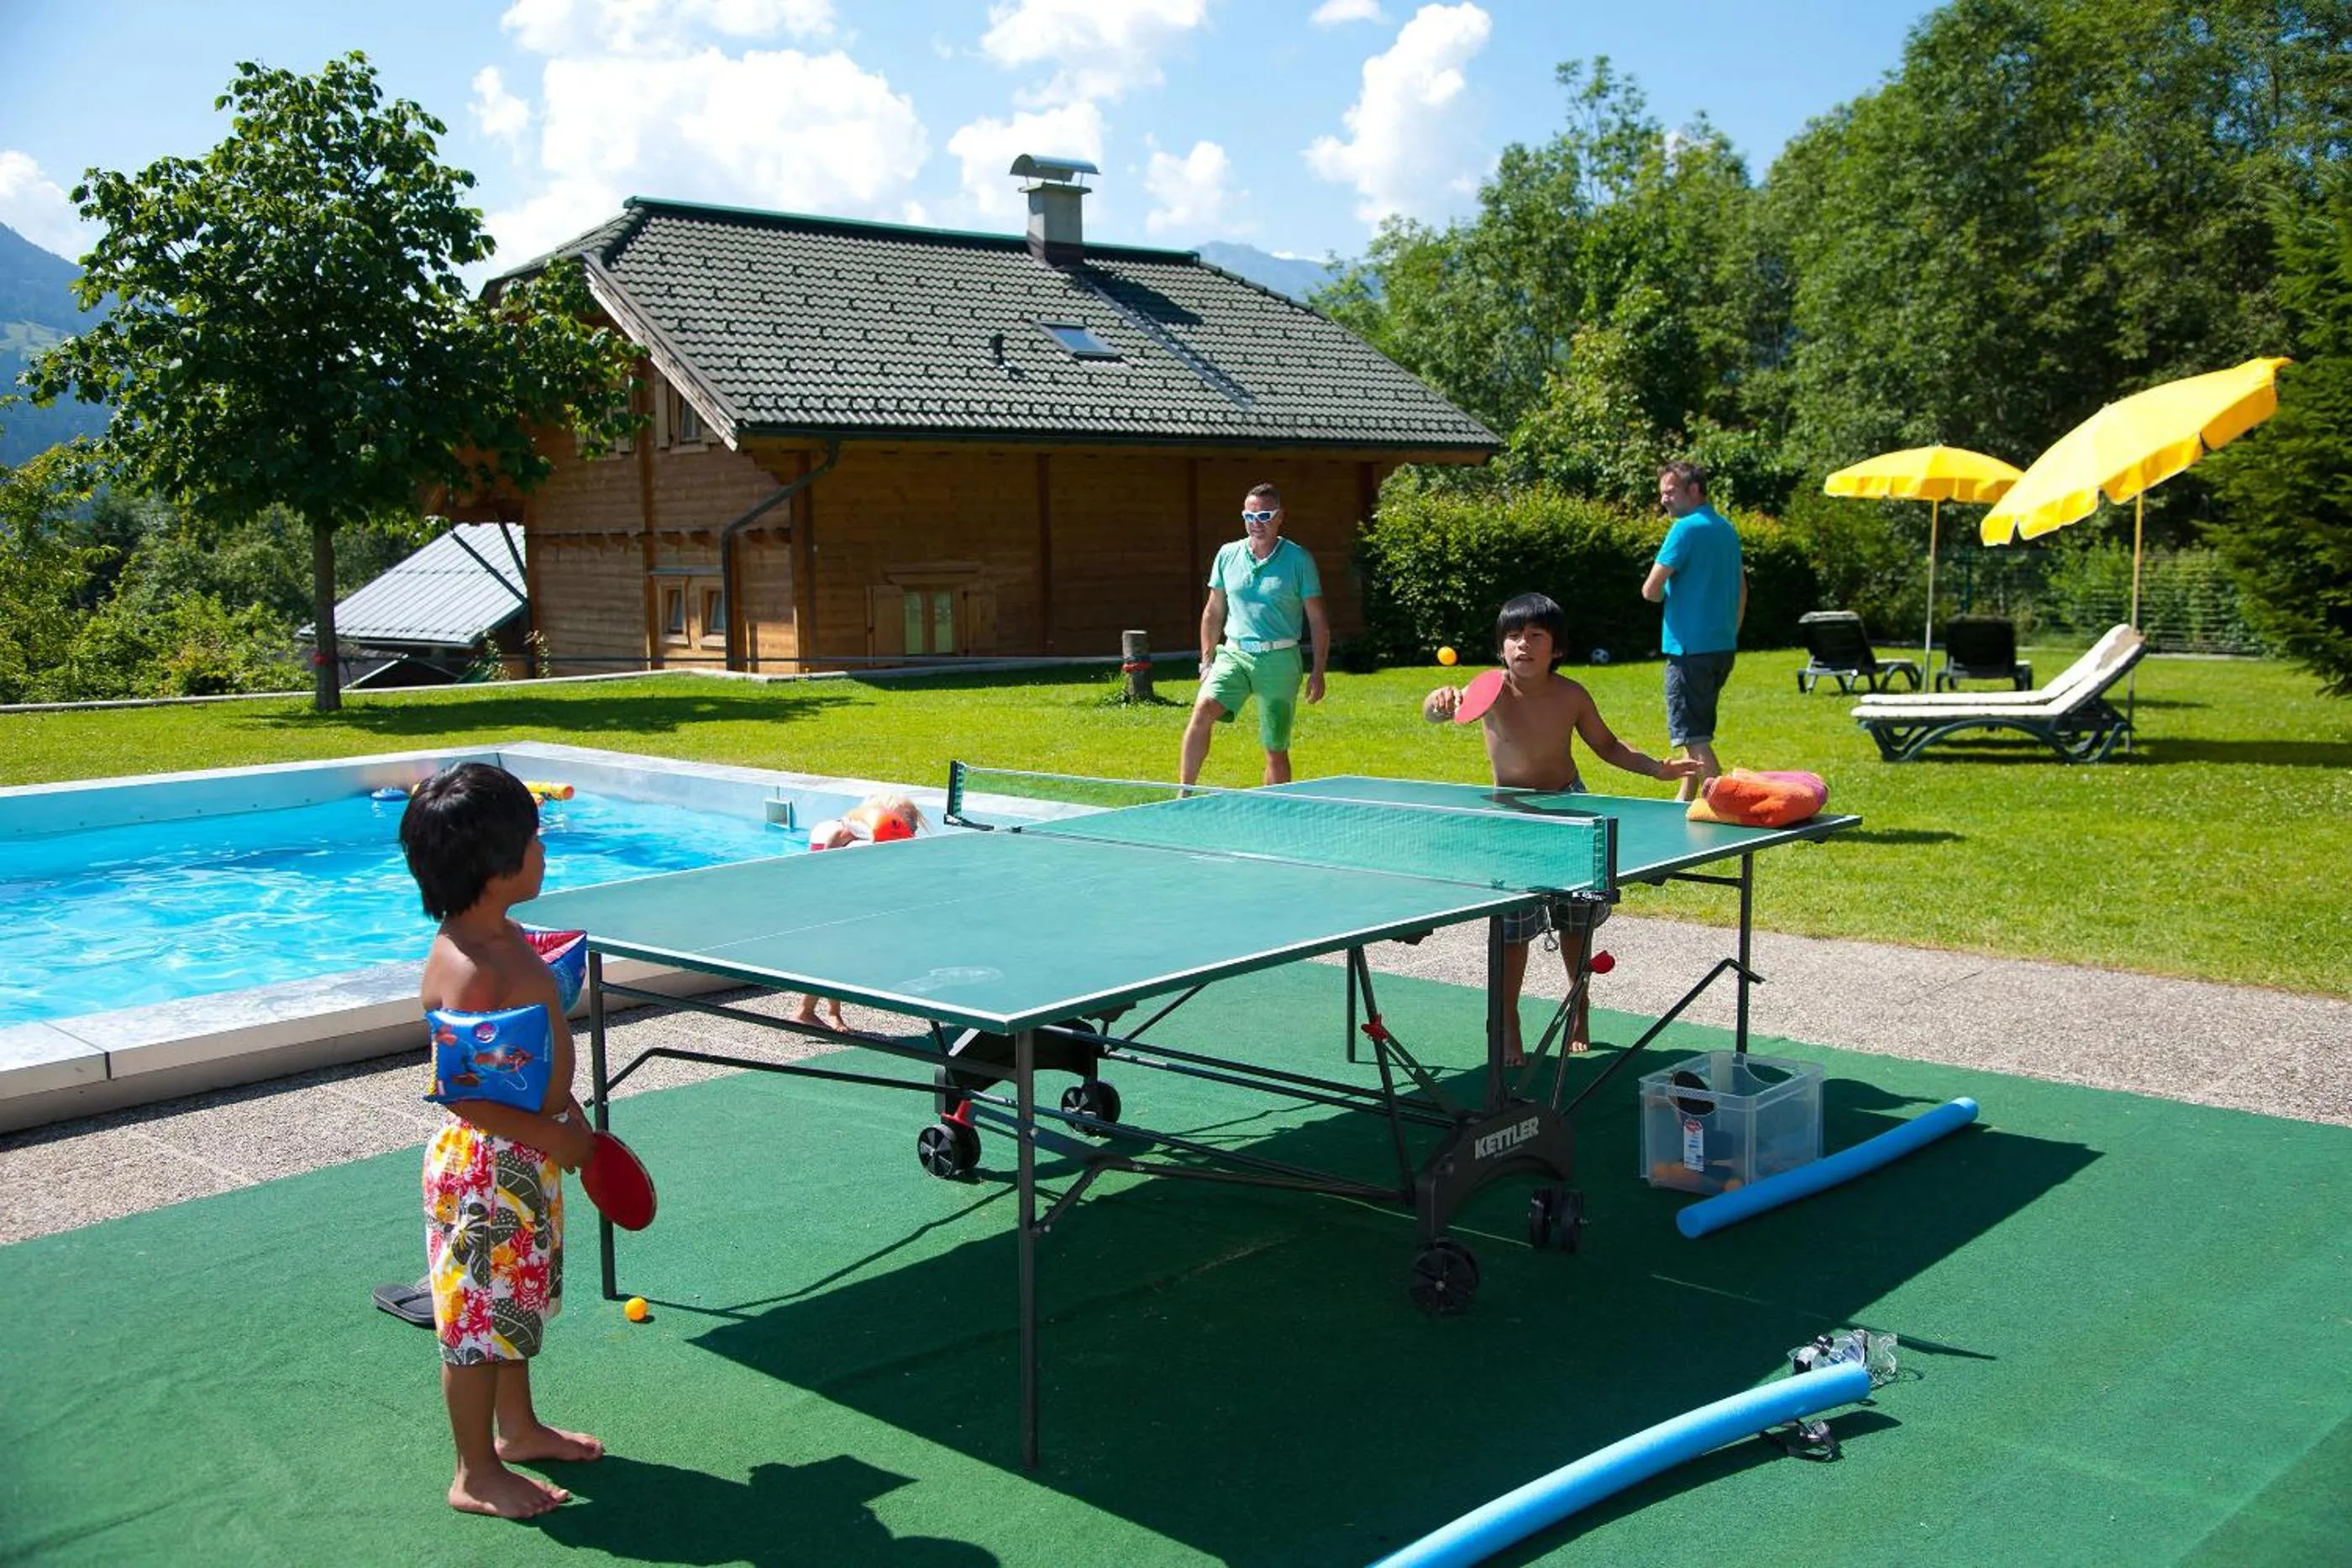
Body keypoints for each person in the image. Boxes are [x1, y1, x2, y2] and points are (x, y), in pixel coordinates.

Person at [400, 763, 602, 1520]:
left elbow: (520, 1064)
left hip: (526, 1153)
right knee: (475, 1324)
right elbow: (465, 1095)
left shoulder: (503, 934)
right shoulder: (468, 965)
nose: (544, 848)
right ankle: (474, 1469)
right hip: (489, 1167)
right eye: (533, 838)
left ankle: (517, 1430)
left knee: (510, 1305)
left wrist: (563, 1118)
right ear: (496, 865)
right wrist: (559, 1137)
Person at [1423, 593, 1701, 1062]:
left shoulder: (1572, 695)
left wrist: (1658, 769)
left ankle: (1579, 1005)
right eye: (1513, 636)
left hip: (1569, 810)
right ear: (1500, 647)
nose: (1523, 645)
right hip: (1513, 818)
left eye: (1535, 636)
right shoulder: (1487, 691)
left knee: (1577, 924)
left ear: (1557, 649)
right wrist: (1438, 700)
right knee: (1513, 930)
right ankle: (1507, 1021)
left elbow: (1608, 746)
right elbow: (1438, 713)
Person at [1180, 481, 1331, 786]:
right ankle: (1183, 796)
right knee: (1203, 710)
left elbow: (1317, 620)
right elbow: (1213, 611)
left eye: (1264, 516)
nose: (1255, 524)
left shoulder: (1299, 560)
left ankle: (1275, 812)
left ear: (1279, 517)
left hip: (1280, 659)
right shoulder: (1227, 554)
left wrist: (1318, 671)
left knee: (1275, 747)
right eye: (1249, 517)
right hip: (1234, 653)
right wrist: (1206, 661)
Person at [1641, 461, 1747, 802]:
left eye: (1670, 492)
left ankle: (1725, 804)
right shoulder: (1726, 529)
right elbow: (1742, 590)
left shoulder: (1685, 530)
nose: (1664, 500)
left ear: (1694, 490)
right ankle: (1685, 797)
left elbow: (1651, 588)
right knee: (1695, 727)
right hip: (1721, 648)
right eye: (1662, 493)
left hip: (1688, 650)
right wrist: (1731, 631)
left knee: (1694, 735)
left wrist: (1664, 594)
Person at [790, 791, 927, 1030]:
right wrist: (827, 869)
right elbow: (834, 842)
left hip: (847, 898)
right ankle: (806, 1011)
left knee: (838, 956)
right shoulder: (863, 825)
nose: (913, 826)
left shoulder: (883, 830)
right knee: (834, 957)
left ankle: (830, 1012)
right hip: (833, 899)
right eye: (910, 819)